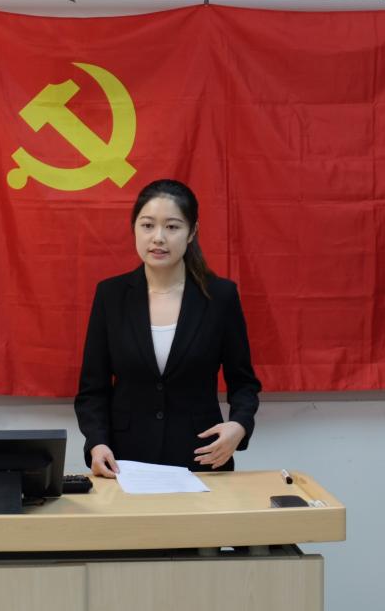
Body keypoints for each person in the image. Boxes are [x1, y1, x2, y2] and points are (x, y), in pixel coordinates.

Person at [74, 179, 260, 477]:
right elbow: (92, 390)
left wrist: (240, 425)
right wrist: (96, 443)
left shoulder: (220, 296)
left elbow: (244, 383)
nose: (158, 238)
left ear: (192, 232)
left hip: (202, 458)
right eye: (148, 225)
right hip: (126, 463)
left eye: (172, 227)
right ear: (134, 228)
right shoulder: (111, 295)